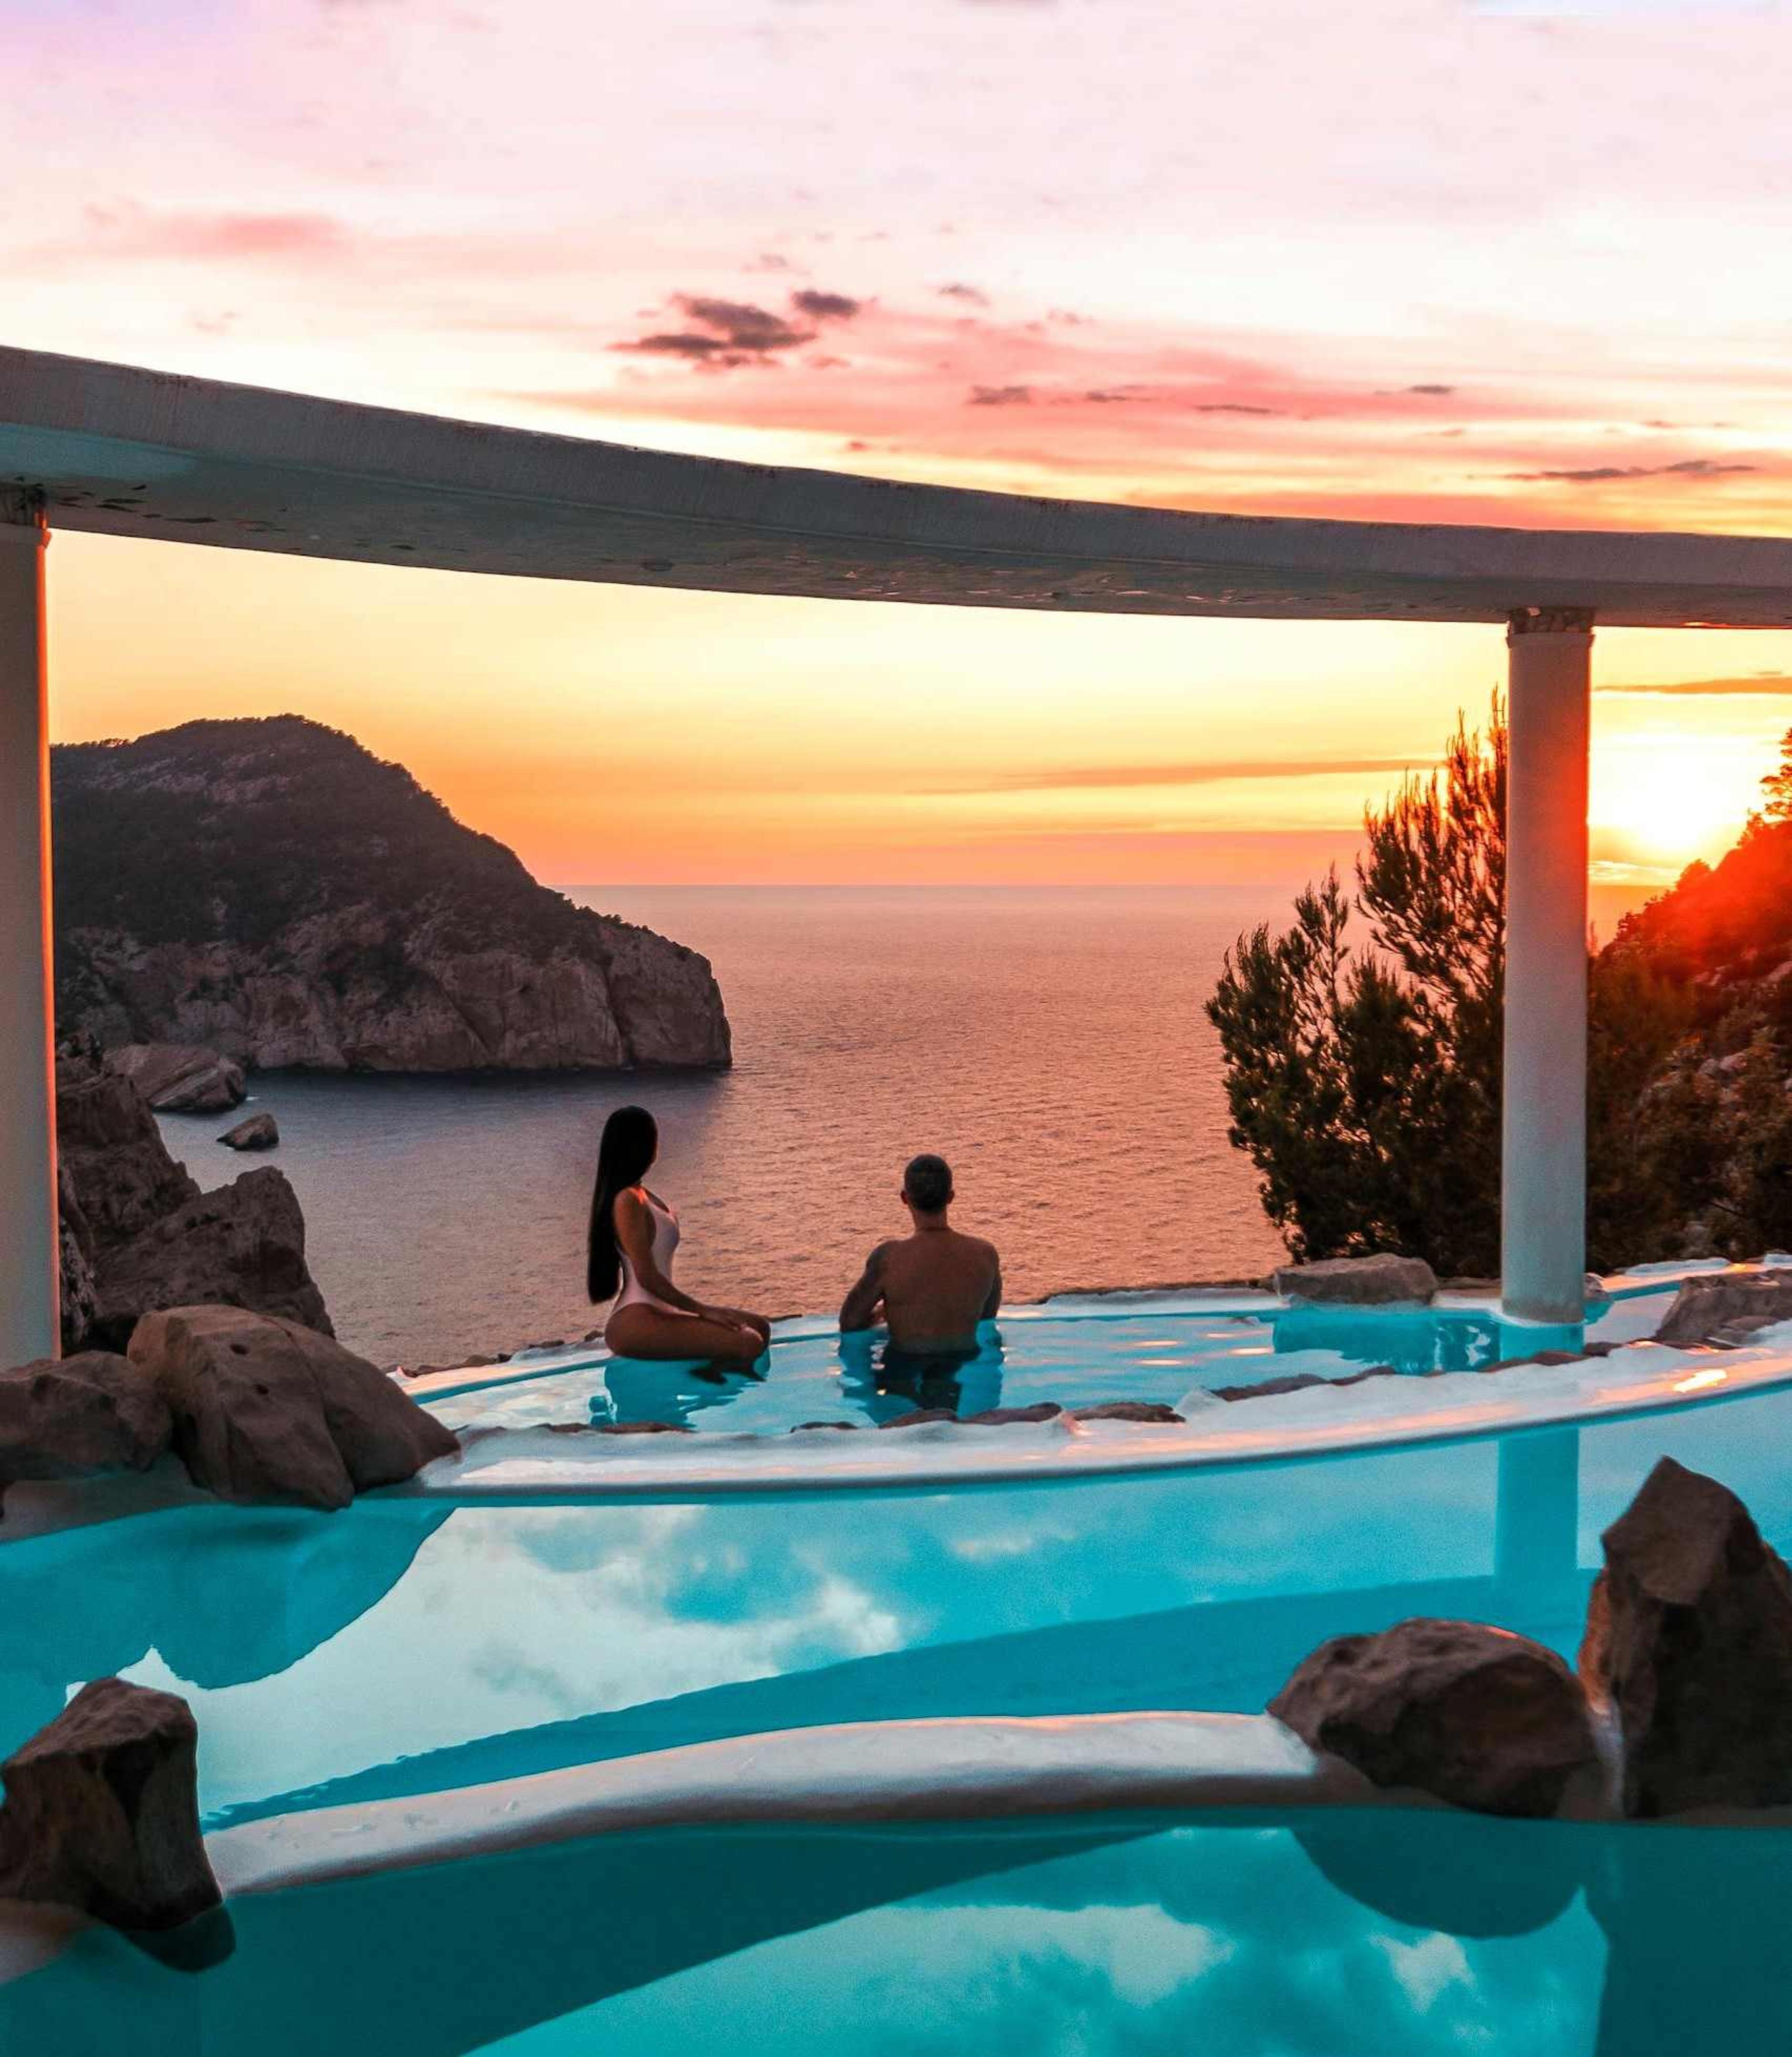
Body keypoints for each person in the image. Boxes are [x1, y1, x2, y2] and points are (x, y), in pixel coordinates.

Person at [587, 1105, 770, 1366]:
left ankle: (704, 1379)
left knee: (761, 1328)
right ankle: (701, 1392)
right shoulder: (627, 1200)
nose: (657, 1144)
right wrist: (704, 1310)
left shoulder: (642, 1194)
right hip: (635, 1317)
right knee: (748, 1341)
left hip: (660, 1311)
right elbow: (647, 1276)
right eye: (654, 1137)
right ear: (640, 1145)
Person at [839, 1152, 1002, 1351]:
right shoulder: (986, 1255)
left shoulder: (888, 1259)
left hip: (905, 1370)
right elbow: (986, 1318)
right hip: (962, 1363)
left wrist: (884, 1314)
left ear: (905, 1198)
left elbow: (850, 1322)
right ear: (951, 1197)